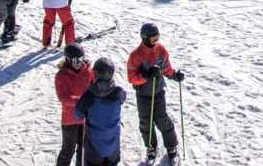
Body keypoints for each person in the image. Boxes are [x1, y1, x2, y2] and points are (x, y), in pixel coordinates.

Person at [126, 23, 183, 164]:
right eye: (153, 39)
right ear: (144, 38)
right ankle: (151, 147)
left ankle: (171, 146)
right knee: (146, 122)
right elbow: (131, 77)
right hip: (143, 95)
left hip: (158, 92)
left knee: (162, 119)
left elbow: (166, 68)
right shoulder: (136, 55)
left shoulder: (161, 50)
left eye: (157, 38)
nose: (156, 42)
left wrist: (174, 75)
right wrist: (145, 75)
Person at [75, 57, 126, 166]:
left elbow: (77, 114)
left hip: (94, 147)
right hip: (113, 145)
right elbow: (122, 99)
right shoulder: (118, 92)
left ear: (95, 75)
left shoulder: (89, 96)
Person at [55, 43, 94, 166]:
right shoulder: (61, 76)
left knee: (83, 149)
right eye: (75, 60)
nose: (79, 63)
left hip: (85, 118)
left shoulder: (88, 72)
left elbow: (94, 88)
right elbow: (63, 97)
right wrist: (80, 101)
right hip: (70, 119)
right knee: (68, 149)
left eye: (81, 59)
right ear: (67, 60)